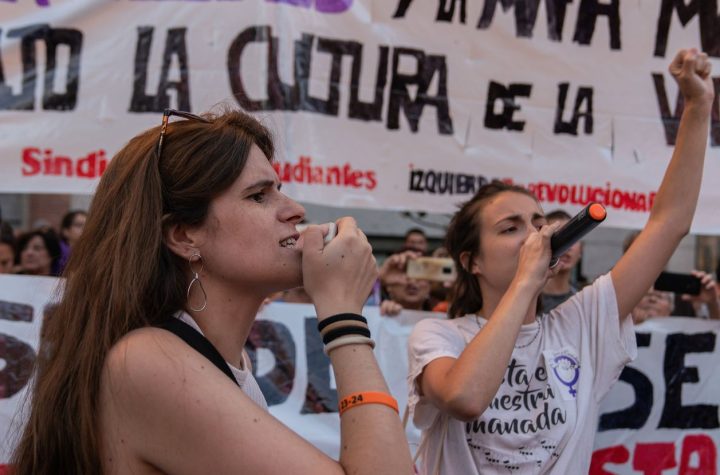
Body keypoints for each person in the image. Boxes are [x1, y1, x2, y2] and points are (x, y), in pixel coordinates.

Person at [12, 109, 414, 475]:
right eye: (259, 195)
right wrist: (343, 314)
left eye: (279, 188)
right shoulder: (150, 361)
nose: (294, 209)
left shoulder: (215, 357)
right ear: (184, 235)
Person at [406, 49, 713, 474]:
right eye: (510, 228)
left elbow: (668, 224)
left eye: (537, 222)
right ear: (472, 261)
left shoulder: (580, 325)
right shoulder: (438, 335)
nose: (534, 234)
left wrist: (698, 107)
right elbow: (465, 398)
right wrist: (525, 283)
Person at [540, 210, 581, 312]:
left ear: (581, 250)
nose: (567, 246)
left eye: (573, 237)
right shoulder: (526, 300)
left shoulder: (583, 300)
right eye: (557, 237)